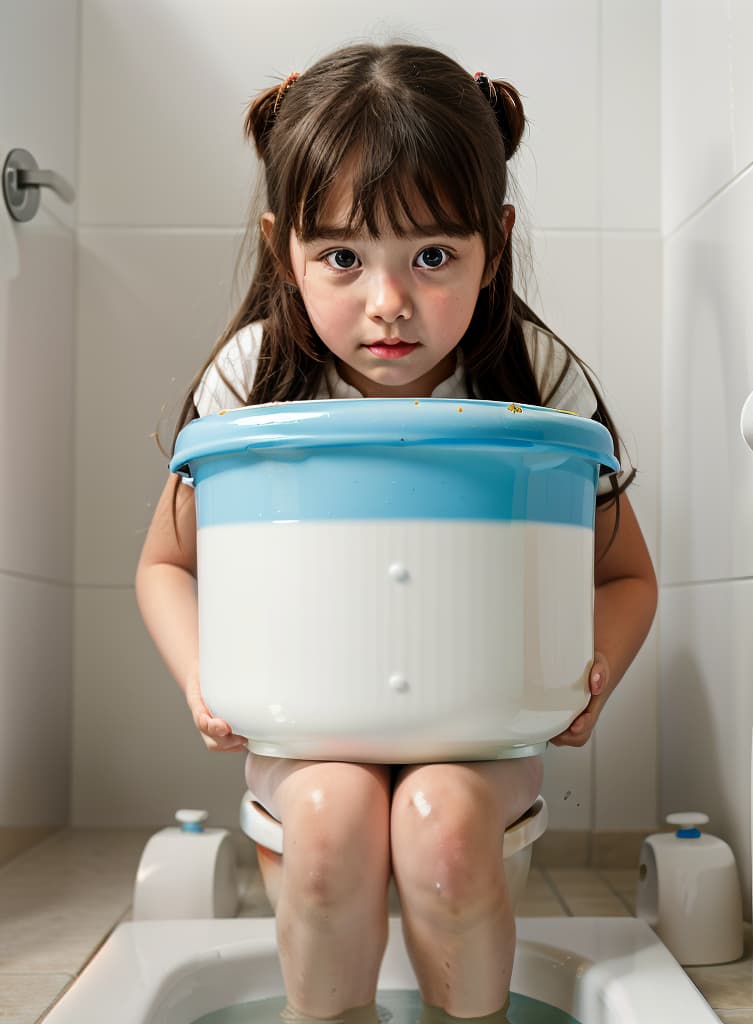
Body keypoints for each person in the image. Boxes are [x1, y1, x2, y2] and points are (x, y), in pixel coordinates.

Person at [135, 42, 657, 1022]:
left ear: (493, 243)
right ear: (282, 246)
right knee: (331, 824)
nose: (388, 304)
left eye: (432, 257)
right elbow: (165, 561)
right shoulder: (255, 377)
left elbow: (625, 574)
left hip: (477, 733)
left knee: (442, 829)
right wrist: (203, 675)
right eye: (342, 256)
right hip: (306, 731)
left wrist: (593, 671)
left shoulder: (531, 377)